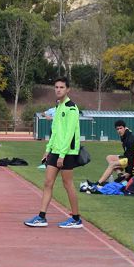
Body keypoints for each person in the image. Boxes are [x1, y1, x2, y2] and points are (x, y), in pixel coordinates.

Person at [24, 78, 83, 229]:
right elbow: (55, 131)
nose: (58, 90)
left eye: (61, 87)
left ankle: (76, 219)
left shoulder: (71, 108)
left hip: (67, 152)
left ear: (67, 89)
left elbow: (69, 134)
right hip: (55, 150)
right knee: (48, 183)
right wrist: (48, 149)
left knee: (67, 184)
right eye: (56, 87)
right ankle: (41, 217)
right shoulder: (58, 107)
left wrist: (62, 155)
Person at [91, 120, 134, 187]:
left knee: (112, 164)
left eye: (121, 128)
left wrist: (129, 172)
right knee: (109, 157)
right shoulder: (124, 136)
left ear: (125, 128)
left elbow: (131, 156)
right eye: (117, 129)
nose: (119, 130)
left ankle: (99, 183)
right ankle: (120, 175)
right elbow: (128, 153)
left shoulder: (130, 138)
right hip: (128, 157)